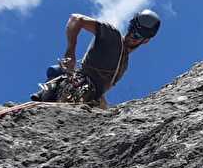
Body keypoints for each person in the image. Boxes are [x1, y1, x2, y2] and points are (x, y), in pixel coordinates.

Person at [32, 10, 161, 106]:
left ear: (146, 41)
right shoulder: (112, 35)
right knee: (59, 75)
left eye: (137, 35)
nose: (131, 35)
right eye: (131, 29)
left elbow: (100, 90)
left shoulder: (124, 64)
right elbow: (76, 19)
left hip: (90, 98)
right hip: (76, 86)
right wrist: (70, 51)